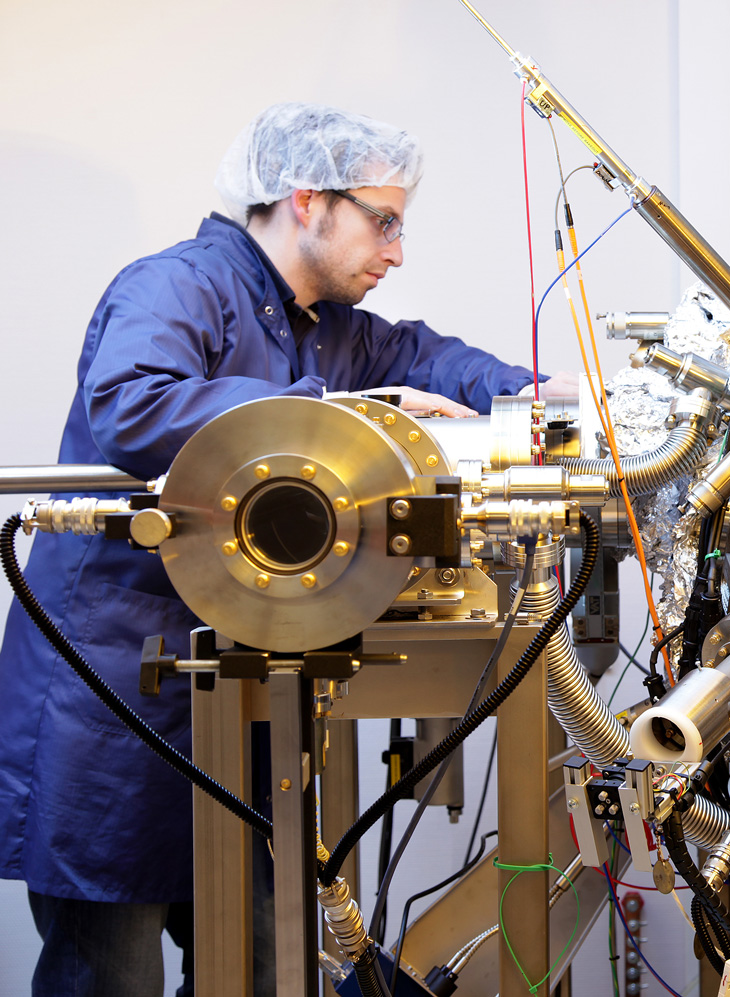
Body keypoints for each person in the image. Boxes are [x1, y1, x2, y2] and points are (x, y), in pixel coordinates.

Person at [0, 102, 573, 996]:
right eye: (383, 221)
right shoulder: (177, 286)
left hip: (246, 686)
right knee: (111, 971)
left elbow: (427, 361)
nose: (396, 250)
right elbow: (132, 405)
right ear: (307, 199)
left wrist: (544, 397)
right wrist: (332, 410)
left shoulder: (328, 325)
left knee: (266, 960)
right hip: (117, 686)